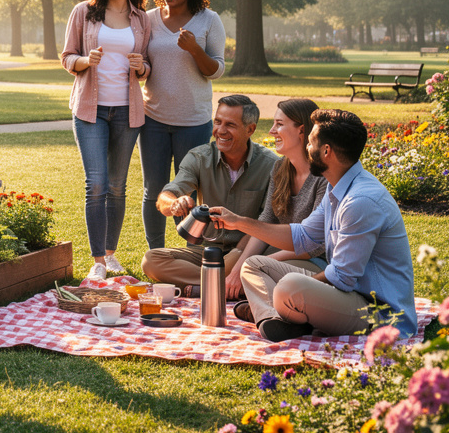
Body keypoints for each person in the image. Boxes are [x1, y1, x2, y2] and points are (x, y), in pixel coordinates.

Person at [211, 109, 417, 341]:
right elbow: (303, 236)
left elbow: (341, 277)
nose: (306, 149)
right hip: (347, 298)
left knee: (289, 288)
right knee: (254, 265)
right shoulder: (336, 186)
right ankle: (277, 319)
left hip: (378, 314)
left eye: (310, 143)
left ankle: (282, 313)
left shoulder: (360, 201)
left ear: (326, 151)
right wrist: (239, 222)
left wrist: (288, 290)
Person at [61, 0, 152, 280]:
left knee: (117, 185)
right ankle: (97, 261)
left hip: (127, 111)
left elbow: (147, 66)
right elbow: (68, 56)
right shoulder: (84, 12)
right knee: (96, 184)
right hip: (90, 110)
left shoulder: (141, 18)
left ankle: (111, 255)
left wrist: (143, 67)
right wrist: (86, 61)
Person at [140, 94, 273, 292]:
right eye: (217, 122)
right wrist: (174, 203)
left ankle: (207, 283)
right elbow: (167, 195)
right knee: (151, 261)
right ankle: (218, 284)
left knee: (239, 262)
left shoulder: (271, 164)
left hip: (246, 249)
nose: (220, 131)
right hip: (208, 252)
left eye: (230, 125)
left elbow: (267, 221)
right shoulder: (200, 157)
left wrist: (237, 254)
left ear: (250, 129)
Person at [139, 0, 226, 250]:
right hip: (153, 119)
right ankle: (157, 252)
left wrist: (194, 50)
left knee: (187, 190)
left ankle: (189, 252)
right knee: (154, 190)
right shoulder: (148, 20)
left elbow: (216, 70)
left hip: (193, 121)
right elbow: (145, 68)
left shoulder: (209, 20)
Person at [225, 99, 328, 306]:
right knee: (229, 266)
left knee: (252, 270)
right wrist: (239, 266)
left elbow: (315, 244)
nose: (272, 131)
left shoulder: (324, 177)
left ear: (301, 130)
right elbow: (266, 221)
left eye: (279, 124)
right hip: (278, 254)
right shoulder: (280, 168)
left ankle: (227, 290)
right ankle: (230, 288)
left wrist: (252, 264)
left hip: (316, 263)